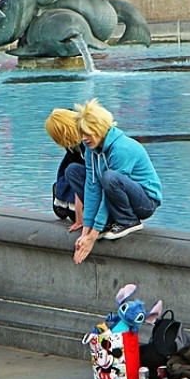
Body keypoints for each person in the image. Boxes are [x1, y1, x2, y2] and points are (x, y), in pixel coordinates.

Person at [66, 98, 162, 264]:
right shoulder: (91, 150)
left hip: (145, 202)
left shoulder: (122, 148)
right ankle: (109, 222)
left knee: (109, 177)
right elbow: (92, 187)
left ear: (100, 129)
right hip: (115, 193)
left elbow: (107, 188)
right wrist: (86, 232)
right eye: (82, 133)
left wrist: (93, 236)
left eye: (88, 133)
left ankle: (128, 221)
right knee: (73, 171)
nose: (84, 138)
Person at [44, 108, 86, 224]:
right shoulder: (71, 146)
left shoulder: (89, 141)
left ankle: (65, 197)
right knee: (65, 212)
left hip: (81, 174)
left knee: (74, 214)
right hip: (75, 172)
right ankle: (61, 195)